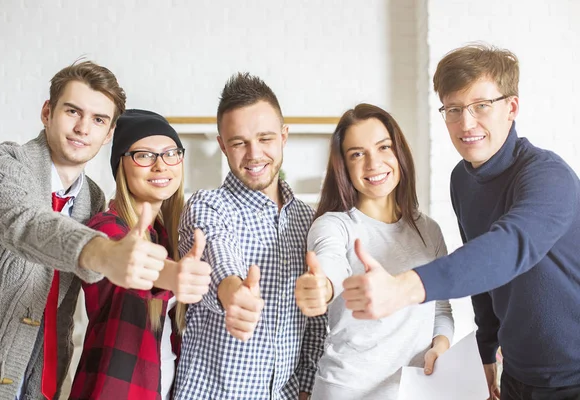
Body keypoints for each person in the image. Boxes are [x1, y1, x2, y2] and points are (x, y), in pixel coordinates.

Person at [342, 44, 580, 400]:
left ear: (511, 108)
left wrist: (403, 289)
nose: (466, 123)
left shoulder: (548, 176)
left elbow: (507, 248)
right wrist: (486, 350)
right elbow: (482, 270)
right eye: (453, 109)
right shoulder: (462, 179)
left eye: (481, 106)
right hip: (516, 373)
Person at [0, 62, 170, 400]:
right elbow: (28, 225)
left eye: (98, 120)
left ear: (109, 133)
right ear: (47, 112)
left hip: (45, 382)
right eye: (73, 111)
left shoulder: (93, 199)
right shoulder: (2, 165)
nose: (83, 128)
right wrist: (102, 252)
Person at [174, 73, 327, 400]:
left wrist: (306, 389)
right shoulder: (208, 206)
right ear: (222, 145)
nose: (254, 154)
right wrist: (233, 293)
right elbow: (218, 255)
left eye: (265, 138)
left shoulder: (307, 219)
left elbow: (314, 324)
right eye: (239, 142)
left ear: (284, 136)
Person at [295, 103, 453, 399]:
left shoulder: (428, 230)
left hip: (414, 390)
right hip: (347, 391)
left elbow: (440, 308)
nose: (373, 164)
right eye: (357, 154)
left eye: (383, 147)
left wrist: (440, 345)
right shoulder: (334, 226)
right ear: (343, 165)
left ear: (399, 153)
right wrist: (321, 287)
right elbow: (330, 267)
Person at [69, 109, 212, 400]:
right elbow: (134, 263)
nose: (161, 166)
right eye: (144, 155)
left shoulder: (171, 235)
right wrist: (171, 274)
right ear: (121, 165)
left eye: (171, 153)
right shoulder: (105, 230)